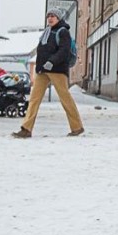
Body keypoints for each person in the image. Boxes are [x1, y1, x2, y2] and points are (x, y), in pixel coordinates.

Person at [12, 9, 84, 138]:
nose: (50, 18)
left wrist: (52, 61)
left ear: (59, 18)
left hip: (57, 70)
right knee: (34, 99)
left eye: (53, 16)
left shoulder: (63, 32)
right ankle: (26, 129)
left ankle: (77, 127)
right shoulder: (47, 32)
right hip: (43, 70)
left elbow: (64, 51)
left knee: (65, 99)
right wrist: (40, 66)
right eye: (48, 16)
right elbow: (41, 51)